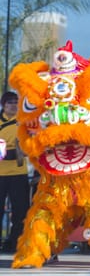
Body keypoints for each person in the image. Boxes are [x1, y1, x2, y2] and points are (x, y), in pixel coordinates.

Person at [0, 91, 30, 254]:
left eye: (15, 102)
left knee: (20, 211)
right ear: (4, 105)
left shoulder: (23, 123)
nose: (13, 105)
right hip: (0, 174)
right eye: (9, 102)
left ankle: (14, 243)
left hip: (18, 174)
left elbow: (28, 147)